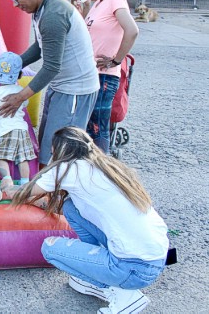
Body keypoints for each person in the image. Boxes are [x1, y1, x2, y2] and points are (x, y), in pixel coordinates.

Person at [11, 127, 169, 314]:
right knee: (71, 207)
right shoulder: (107, 165)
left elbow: (22, 193)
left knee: (49, 247)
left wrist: (3, 185)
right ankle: (100, 270)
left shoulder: (68, 168)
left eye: (53, 153)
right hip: (156, 258)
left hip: (131, 267)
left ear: (61, 152)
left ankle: (121, 294)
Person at [0, 0, 99, 166]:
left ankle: (58, 195)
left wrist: (19, 97)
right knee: (46, 146)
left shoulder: (53, 15)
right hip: (61, 86)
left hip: (75, 91)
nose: (15, 5)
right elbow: (41, 45)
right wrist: (15, 63)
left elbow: (52, 66)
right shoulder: (42, 8)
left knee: (60, 154)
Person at [80, 0, 139, 153]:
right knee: (88, 124)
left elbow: (132, 30)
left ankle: (103, 169)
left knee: (98, 125)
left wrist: (116, 61)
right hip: (91, 72)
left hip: (105, 75)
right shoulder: (97, 3)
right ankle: (92, 165)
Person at [0, 52, 36, 191]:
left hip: (3, 131)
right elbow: (25, 103)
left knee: (2, 158)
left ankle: (7, 179)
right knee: (23, 158)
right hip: (21, 130)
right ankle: (24, 183)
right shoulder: (20, 91)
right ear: (20, 76)